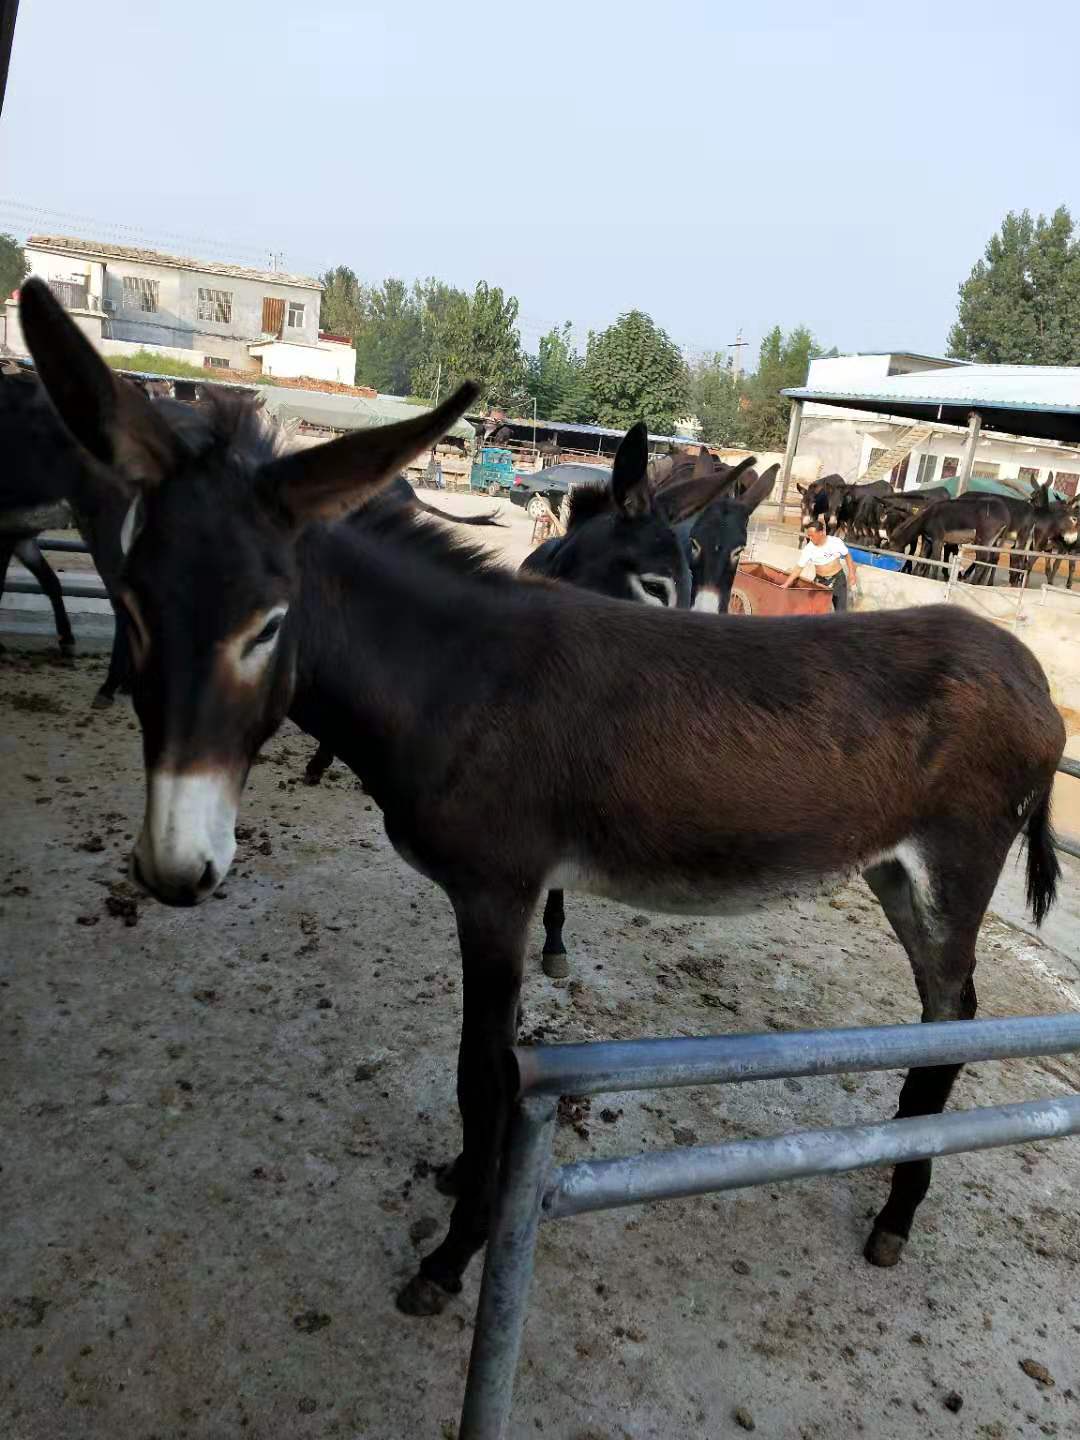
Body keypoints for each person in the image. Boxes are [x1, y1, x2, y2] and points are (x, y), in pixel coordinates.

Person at [782, 516, 857, 611]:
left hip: (838, 580)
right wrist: (786, 584)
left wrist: (852, 573)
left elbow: (847, 556)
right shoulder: (808, 549)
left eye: (812, 535)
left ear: (821, 533)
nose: (810, 538)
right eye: (808, 535)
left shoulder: (835, 542)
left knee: (840, 610)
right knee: (815, 609)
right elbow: (799, 568)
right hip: (820, 582)